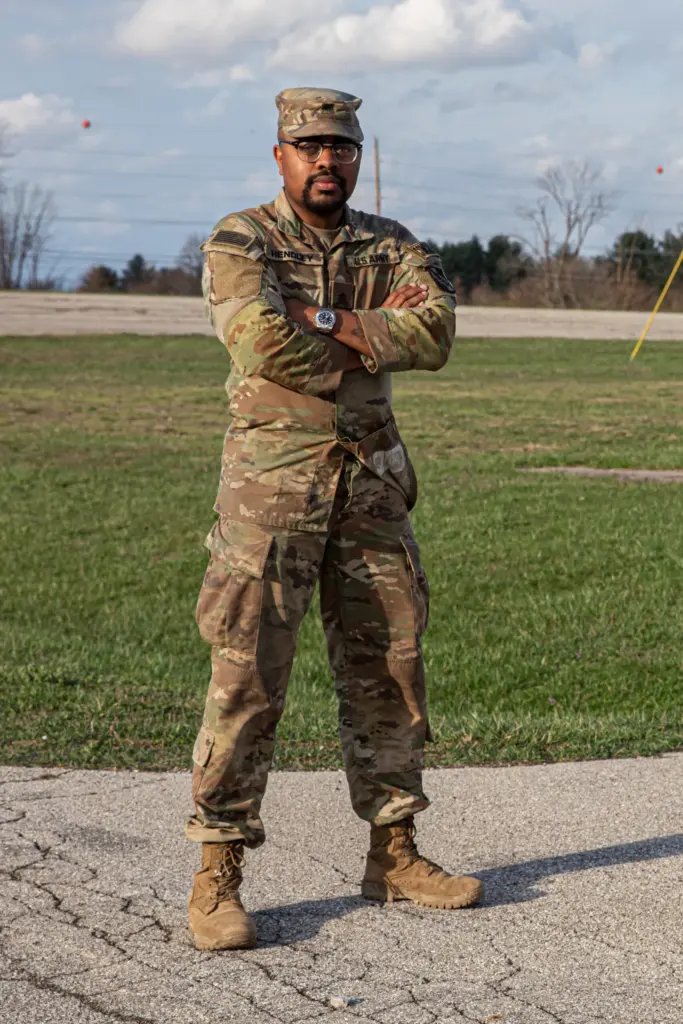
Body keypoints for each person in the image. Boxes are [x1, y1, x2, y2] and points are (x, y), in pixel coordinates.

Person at [186, 87, 483, 951]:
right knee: (245, 681)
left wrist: (324, 316)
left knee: (389, 671)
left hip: (372, 490)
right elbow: (256, 342)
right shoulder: (241, 238)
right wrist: (367, 337)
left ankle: (393, 852)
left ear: (357, 153)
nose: (327, 160)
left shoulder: (389, 244)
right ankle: (217, 872)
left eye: (340, 146)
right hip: (270, 493)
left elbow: (435, 334)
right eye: (308, 145)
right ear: (278, 153)